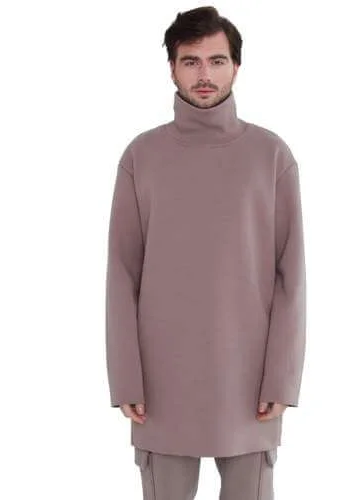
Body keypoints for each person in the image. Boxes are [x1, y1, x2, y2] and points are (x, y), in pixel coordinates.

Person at [105, 6, 306, 499]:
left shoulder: (271, 156)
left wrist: (282, 380)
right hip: (161, 384)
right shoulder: (141, 157)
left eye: (217, 61)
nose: (204, 74)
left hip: (250, 383)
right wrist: (125, 378)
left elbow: (291, 277)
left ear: (237, 66)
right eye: (190, 61)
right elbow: (122, 274)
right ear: (171, 68)